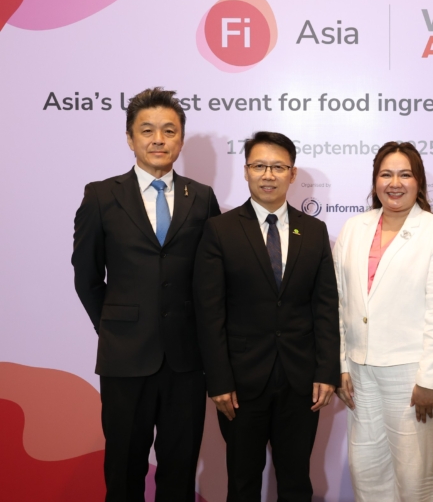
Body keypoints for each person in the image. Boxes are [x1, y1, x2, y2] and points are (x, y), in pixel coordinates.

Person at [72, 87, 220, 501]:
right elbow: (86, 276)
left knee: (180, 469)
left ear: (180, 139)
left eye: (169, 131)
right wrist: (113, 326)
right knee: (124, 468)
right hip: (125, 357)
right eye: (147, 130)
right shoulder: (101, 195)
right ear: (130, 137)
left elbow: (211, 278)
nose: (158, 139)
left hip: (186, 360)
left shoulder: (201, 197)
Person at [193, 131, 339, 502]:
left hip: (300, 381)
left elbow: (325, 306)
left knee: (296, 481)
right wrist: (218, 380)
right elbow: (210, 312)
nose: (268, 175)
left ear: (292, 174)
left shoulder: (314, 231)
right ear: (246, 171)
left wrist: (326, 371)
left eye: (278, 167)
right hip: (240, 384)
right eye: (259, 166)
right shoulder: (220, 230)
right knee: (242, 482)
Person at [334, 142, 433, 501]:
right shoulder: (354, 228)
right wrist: (341, 363)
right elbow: (339, 302)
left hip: (412, 374)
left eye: (405, 174)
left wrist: (429, 379)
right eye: (386, 174)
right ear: (375, 181)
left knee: (416, 473)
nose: (395, 183)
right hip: (360, 371)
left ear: (418, 182)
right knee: (367, 469)